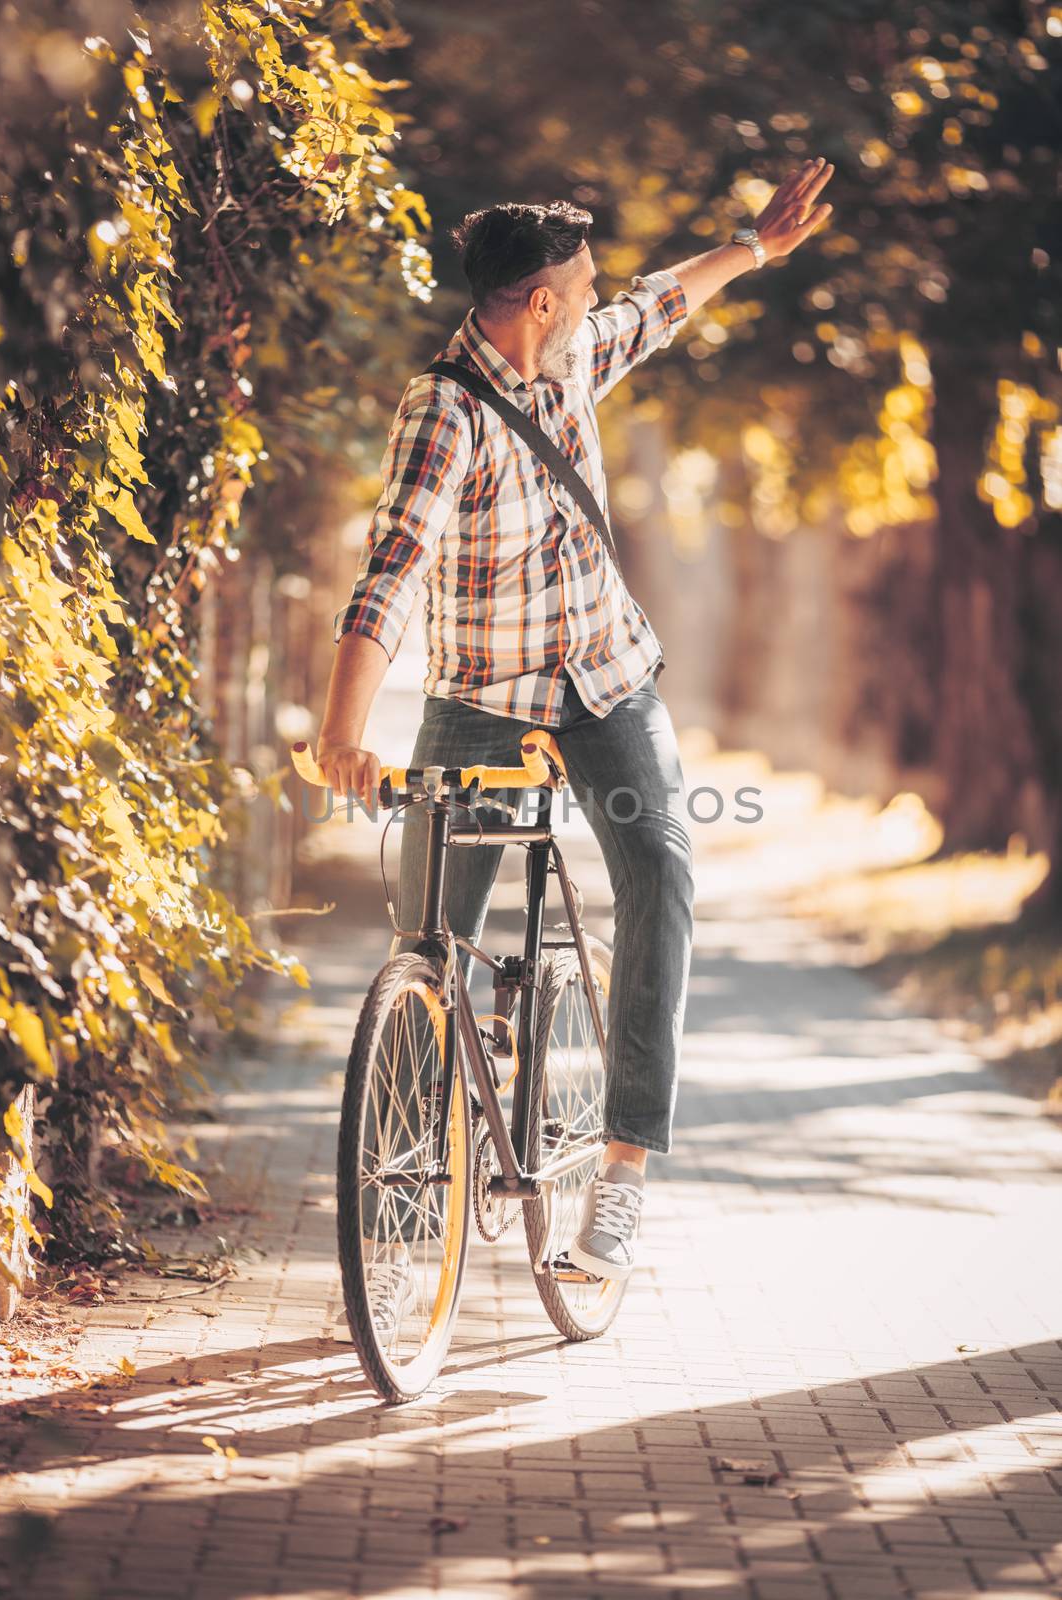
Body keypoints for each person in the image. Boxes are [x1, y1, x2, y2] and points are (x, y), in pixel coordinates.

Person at [317, 162, 834, 1293]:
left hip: (607, 678)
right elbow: (390, 573)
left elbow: (662, 298)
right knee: (427, 941)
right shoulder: (442, 415)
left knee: (658, 865)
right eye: (579, 285)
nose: (595, 300)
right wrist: (342, 730)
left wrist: (754, 244)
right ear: (537, 301)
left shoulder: (571, 351)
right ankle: (404, 1171)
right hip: (482, 701)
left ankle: (622, 1170)